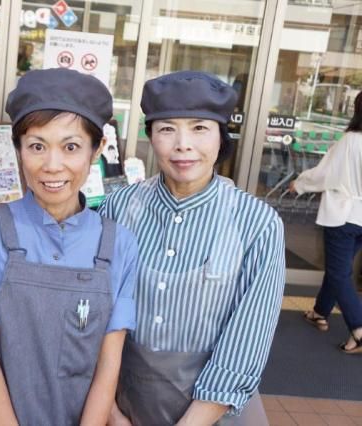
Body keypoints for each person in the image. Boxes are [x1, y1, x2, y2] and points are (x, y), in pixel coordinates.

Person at [0, 68, 138, 425]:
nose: (52, 166)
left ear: (97, 150)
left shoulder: (119, 243)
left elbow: (108, 364)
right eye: (37, 146)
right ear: (18, 149)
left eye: (71, 147)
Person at [100, 71, 286, 425]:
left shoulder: (257, 223)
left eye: (200, 128)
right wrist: (111, 414)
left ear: (221, 138)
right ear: (151, 136)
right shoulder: (117, 209)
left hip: (216, 414)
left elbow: (247, 341)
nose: (183, 144)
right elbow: (96, 318)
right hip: (124, 406)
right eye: (167, 129)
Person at [290, 91, 362, 355]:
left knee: (339, 272)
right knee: (338, 269)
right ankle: (319, 312)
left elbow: (324, 174)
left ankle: (359, 328)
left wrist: (299, 184)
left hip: (343, 216)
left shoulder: (350, 141)